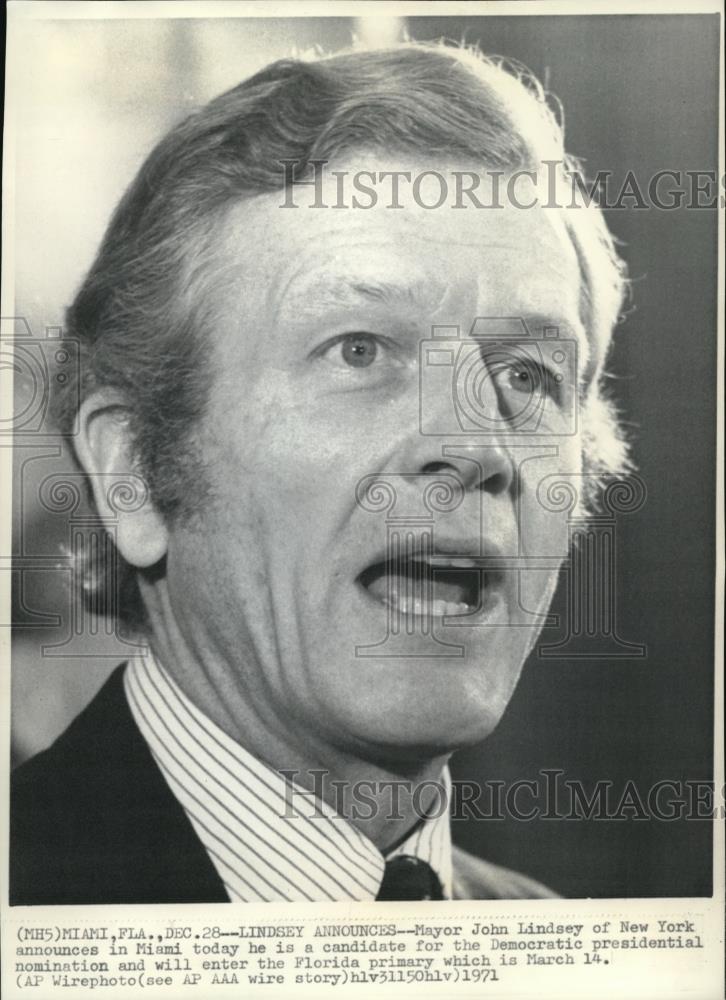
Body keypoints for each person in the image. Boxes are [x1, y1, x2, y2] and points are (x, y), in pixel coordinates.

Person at [10, 42, 630, 904]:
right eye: (360, 351)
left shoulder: (589, 961)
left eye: (526, 376)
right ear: (134, 475)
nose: (478, 445)